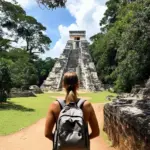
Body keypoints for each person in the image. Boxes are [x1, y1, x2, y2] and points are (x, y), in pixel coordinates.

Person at [45, 72, 100, 150]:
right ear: (78, 84)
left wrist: (63, 141)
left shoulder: (55, 105)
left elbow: (47, 134)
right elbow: (96, 133)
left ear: (63, 84)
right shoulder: (86, 105)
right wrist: (80, 141)